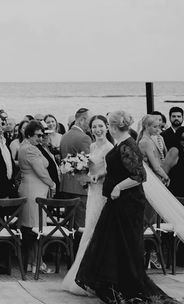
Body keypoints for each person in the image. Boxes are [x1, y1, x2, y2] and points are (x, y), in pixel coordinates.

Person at [72, 110, 176, 303]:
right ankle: (114, 284)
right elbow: (118, 168)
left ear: (112, 126)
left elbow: (139, 176)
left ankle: (129, 284)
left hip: (128, 203)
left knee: (125, 243)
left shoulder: (129, 145)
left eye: (108, 125)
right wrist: (100, 176)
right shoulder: (121, 144)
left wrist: (118, 187)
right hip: (117, 202)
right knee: (111, 242)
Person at [61, 113, 114, 294]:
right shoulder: (91, 146)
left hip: (102, 194)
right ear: (90, 129)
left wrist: (95, 177)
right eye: (94, 127)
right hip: (92, 192)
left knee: (96, 232)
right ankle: (82, 276)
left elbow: (109, 172)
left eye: (101, 126)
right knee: (88, 231)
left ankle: (97, 277)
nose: (98, 130)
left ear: (107, 127)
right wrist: (80, 175)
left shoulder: (110, 147)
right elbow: (88, 168)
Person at [17, 121, 56, 274]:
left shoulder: (29, 147)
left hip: (34, 190)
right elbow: (40, 171)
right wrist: (52, 184)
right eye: (38, 135)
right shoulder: (29, 150)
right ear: (28, 135)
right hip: (34, 192)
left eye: (43, 135)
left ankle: (33, 262)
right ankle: (36, 263)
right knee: (36, 228)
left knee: (34, 228)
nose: (41, 138)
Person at [58, 108, 91, 225]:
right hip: (80, 188)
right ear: (82, 120)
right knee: (81, 224)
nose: (90, 125)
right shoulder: (84, 138)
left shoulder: (64, 136)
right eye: (89, 121)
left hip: (66, 186)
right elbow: (89, 163)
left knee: (70, 223)